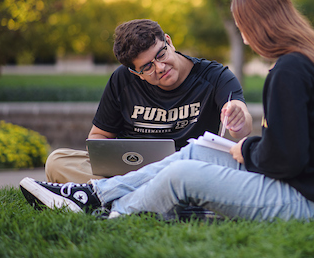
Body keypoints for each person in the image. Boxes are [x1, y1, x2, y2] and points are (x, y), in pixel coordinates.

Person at [19, 0, 314, 222]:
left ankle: (110, 213)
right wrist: (248, 150)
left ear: (258, 26)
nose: (245, 41)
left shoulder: (289, 70)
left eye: (242, 29)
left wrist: (245, 149)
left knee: (183, 173)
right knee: (198, 151)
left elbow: (286, 160)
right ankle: (93, 195)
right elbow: (298, 149)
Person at [45, 19, 253, 184]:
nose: (160, 67)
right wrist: (114, 160)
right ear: (135, 72)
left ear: (169, 42)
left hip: (186, 171)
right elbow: (99, 136)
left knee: (221, 173)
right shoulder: (122, 80)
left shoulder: (215, 76)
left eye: (161, 55)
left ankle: (115, 192)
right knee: (57, 162)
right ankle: (137, 191)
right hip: (129, 171)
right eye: (147, 67)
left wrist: (237, 117)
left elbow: (242, 129)